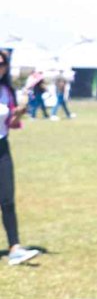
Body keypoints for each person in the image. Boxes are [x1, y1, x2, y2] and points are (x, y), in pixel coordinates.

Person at [0, 50, 41, 266]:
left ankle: (15, 248)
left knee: (7, 199)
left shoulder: (6, 91)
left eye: (1, 64)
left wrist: (18, 113)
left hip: (2, 148)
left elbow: (12, 123)